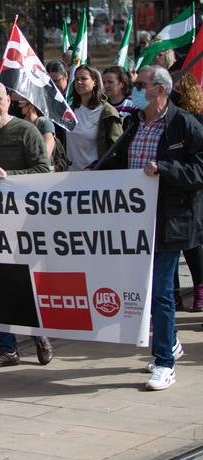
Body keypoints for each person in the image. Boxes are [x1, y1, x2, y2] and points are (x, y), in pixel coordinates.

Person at [100, 65, 203, 390]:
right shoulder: (133, 124)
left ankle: (164, 362)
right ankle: (169, 342)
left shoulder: (184, 125)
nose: (134, 89)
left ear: (159, 89)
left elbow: (199, 171)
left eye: (140, 84)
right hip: (136, 224)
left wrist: (167, 169)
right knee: (147, 293)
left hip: (171, 222)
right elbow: (117, 164)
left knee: (160, 293)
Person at [0, 79, 54, 369]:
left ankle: (40, 334)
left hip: (24, 224)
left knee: (24, 283)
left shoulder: (25, 131)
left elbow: (43, 171)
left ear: (9, 101)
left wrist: (9, 176)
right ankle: (7, 348)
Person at [172, 73, 203, 312]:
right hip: (173, 188)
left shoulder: (195, 121)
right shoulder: (167, 120)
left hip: (194, 190)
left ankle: (200, 290)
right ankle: (175, 295)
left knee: (194, 244)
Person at [65, 64, 123, 171]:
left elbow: (116, 149)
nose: (79, 82)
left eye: (84, 78)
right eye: (76, 79)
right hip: (70, 177)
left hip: (96, 177)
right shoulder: (69, 111)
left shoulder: (107, 112)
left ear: (95, 82)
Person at [14, 94, 55, 165]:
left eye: (24, 98)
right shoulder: (21, 124)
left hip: (43, 172)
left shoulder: (44, 123)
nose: (20, 101)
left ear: (32, 103)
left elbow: (46, 154)